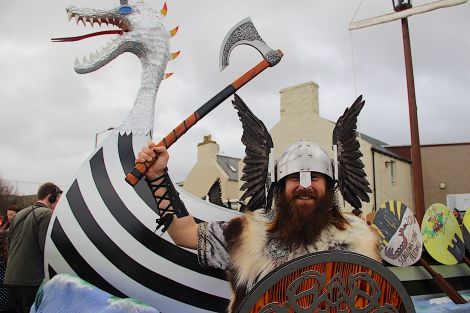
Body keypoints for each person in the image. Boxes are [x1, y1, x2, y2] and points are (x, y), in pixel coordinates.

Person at [137, 140, 381, 312]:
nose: (304, 186)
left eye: (314, 177)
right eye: (294, 178)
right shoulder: (248, 234)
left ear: (329, 187)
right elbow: (185, 234)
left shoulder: (358, 240)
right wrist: (158, 178)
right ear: (280, 187)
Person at [4, 183, 62, 313]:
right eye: (57, 200)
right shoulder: (46, 214)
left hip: (11, 280)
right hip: (31, 282)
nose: (58, 204)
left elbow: (9, 245)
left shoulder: (19, 214)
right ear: (51, 197)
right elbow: (46, 249)